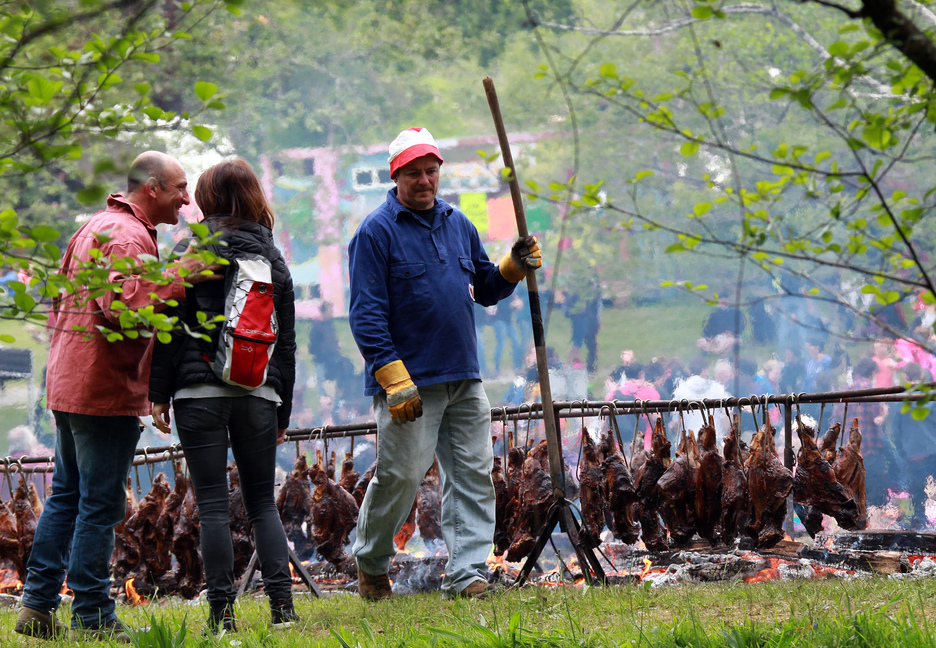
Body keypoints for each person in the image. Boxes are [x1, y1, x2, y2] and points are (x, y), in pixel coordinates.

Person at [15, 152, 220, 642]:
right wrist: (182, 274)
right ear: (151, 188)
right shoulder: (127, 236)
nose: (187, 199)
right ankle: (92, 614)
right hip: (102, 389)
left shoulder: (96, 227)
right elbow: (122, 307)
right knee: (100, 505)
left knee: (66, 497)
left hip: (71, 383)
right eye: (179, 188)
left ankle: (38, 608)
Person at [347, 127, 541, 600]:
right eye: (414, 173)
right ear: (396, 176)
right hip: (409, 382)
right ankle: (372, 562)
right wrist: (392, 376)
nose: (425, 181)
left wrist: (513, 267)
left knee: (473, 474)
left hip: (463, 376)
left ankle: (468, 573)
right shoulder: (375, 232)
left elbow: (487, 290)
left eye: (431, 171)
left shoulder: (459, 224)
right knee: (400, 476)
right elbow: (365, 312)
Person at [148, 159, 299, 632]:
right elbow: (287, 343)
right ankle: (283, 611)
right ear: (255, 196)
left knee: (212, 504)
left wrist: (159, 394)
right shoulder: (273, 259)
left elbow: (167, 331)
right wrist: (282, 411)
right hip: (259, 393)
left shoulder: (188, 251)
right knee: (261, 504)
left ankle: (222, 616)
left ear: (207, 199)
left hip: (198, 395)